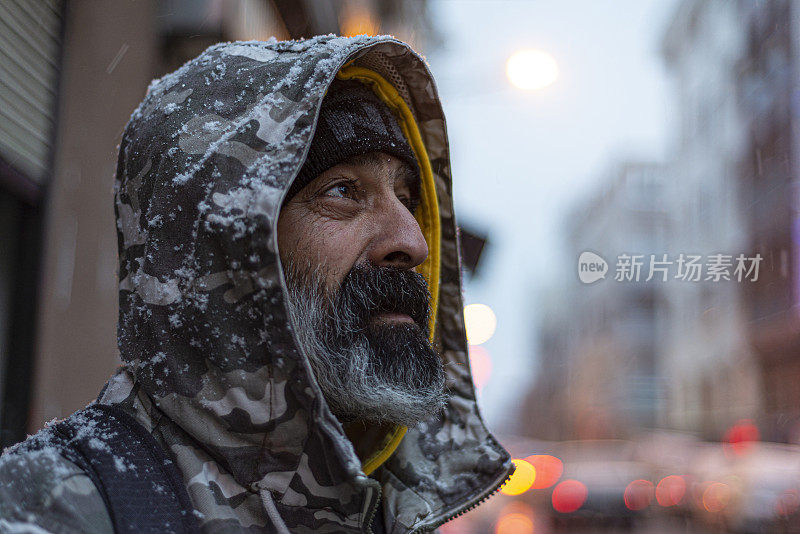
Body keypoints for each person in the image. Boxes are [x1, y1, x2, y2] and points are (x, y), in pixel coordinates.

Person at [0, 35, 512, 533]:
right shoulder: (51, 508)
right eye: (343, 190)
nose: (411, 240)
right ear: (228, 242)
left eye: (407, 197)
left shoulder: (394, 507)